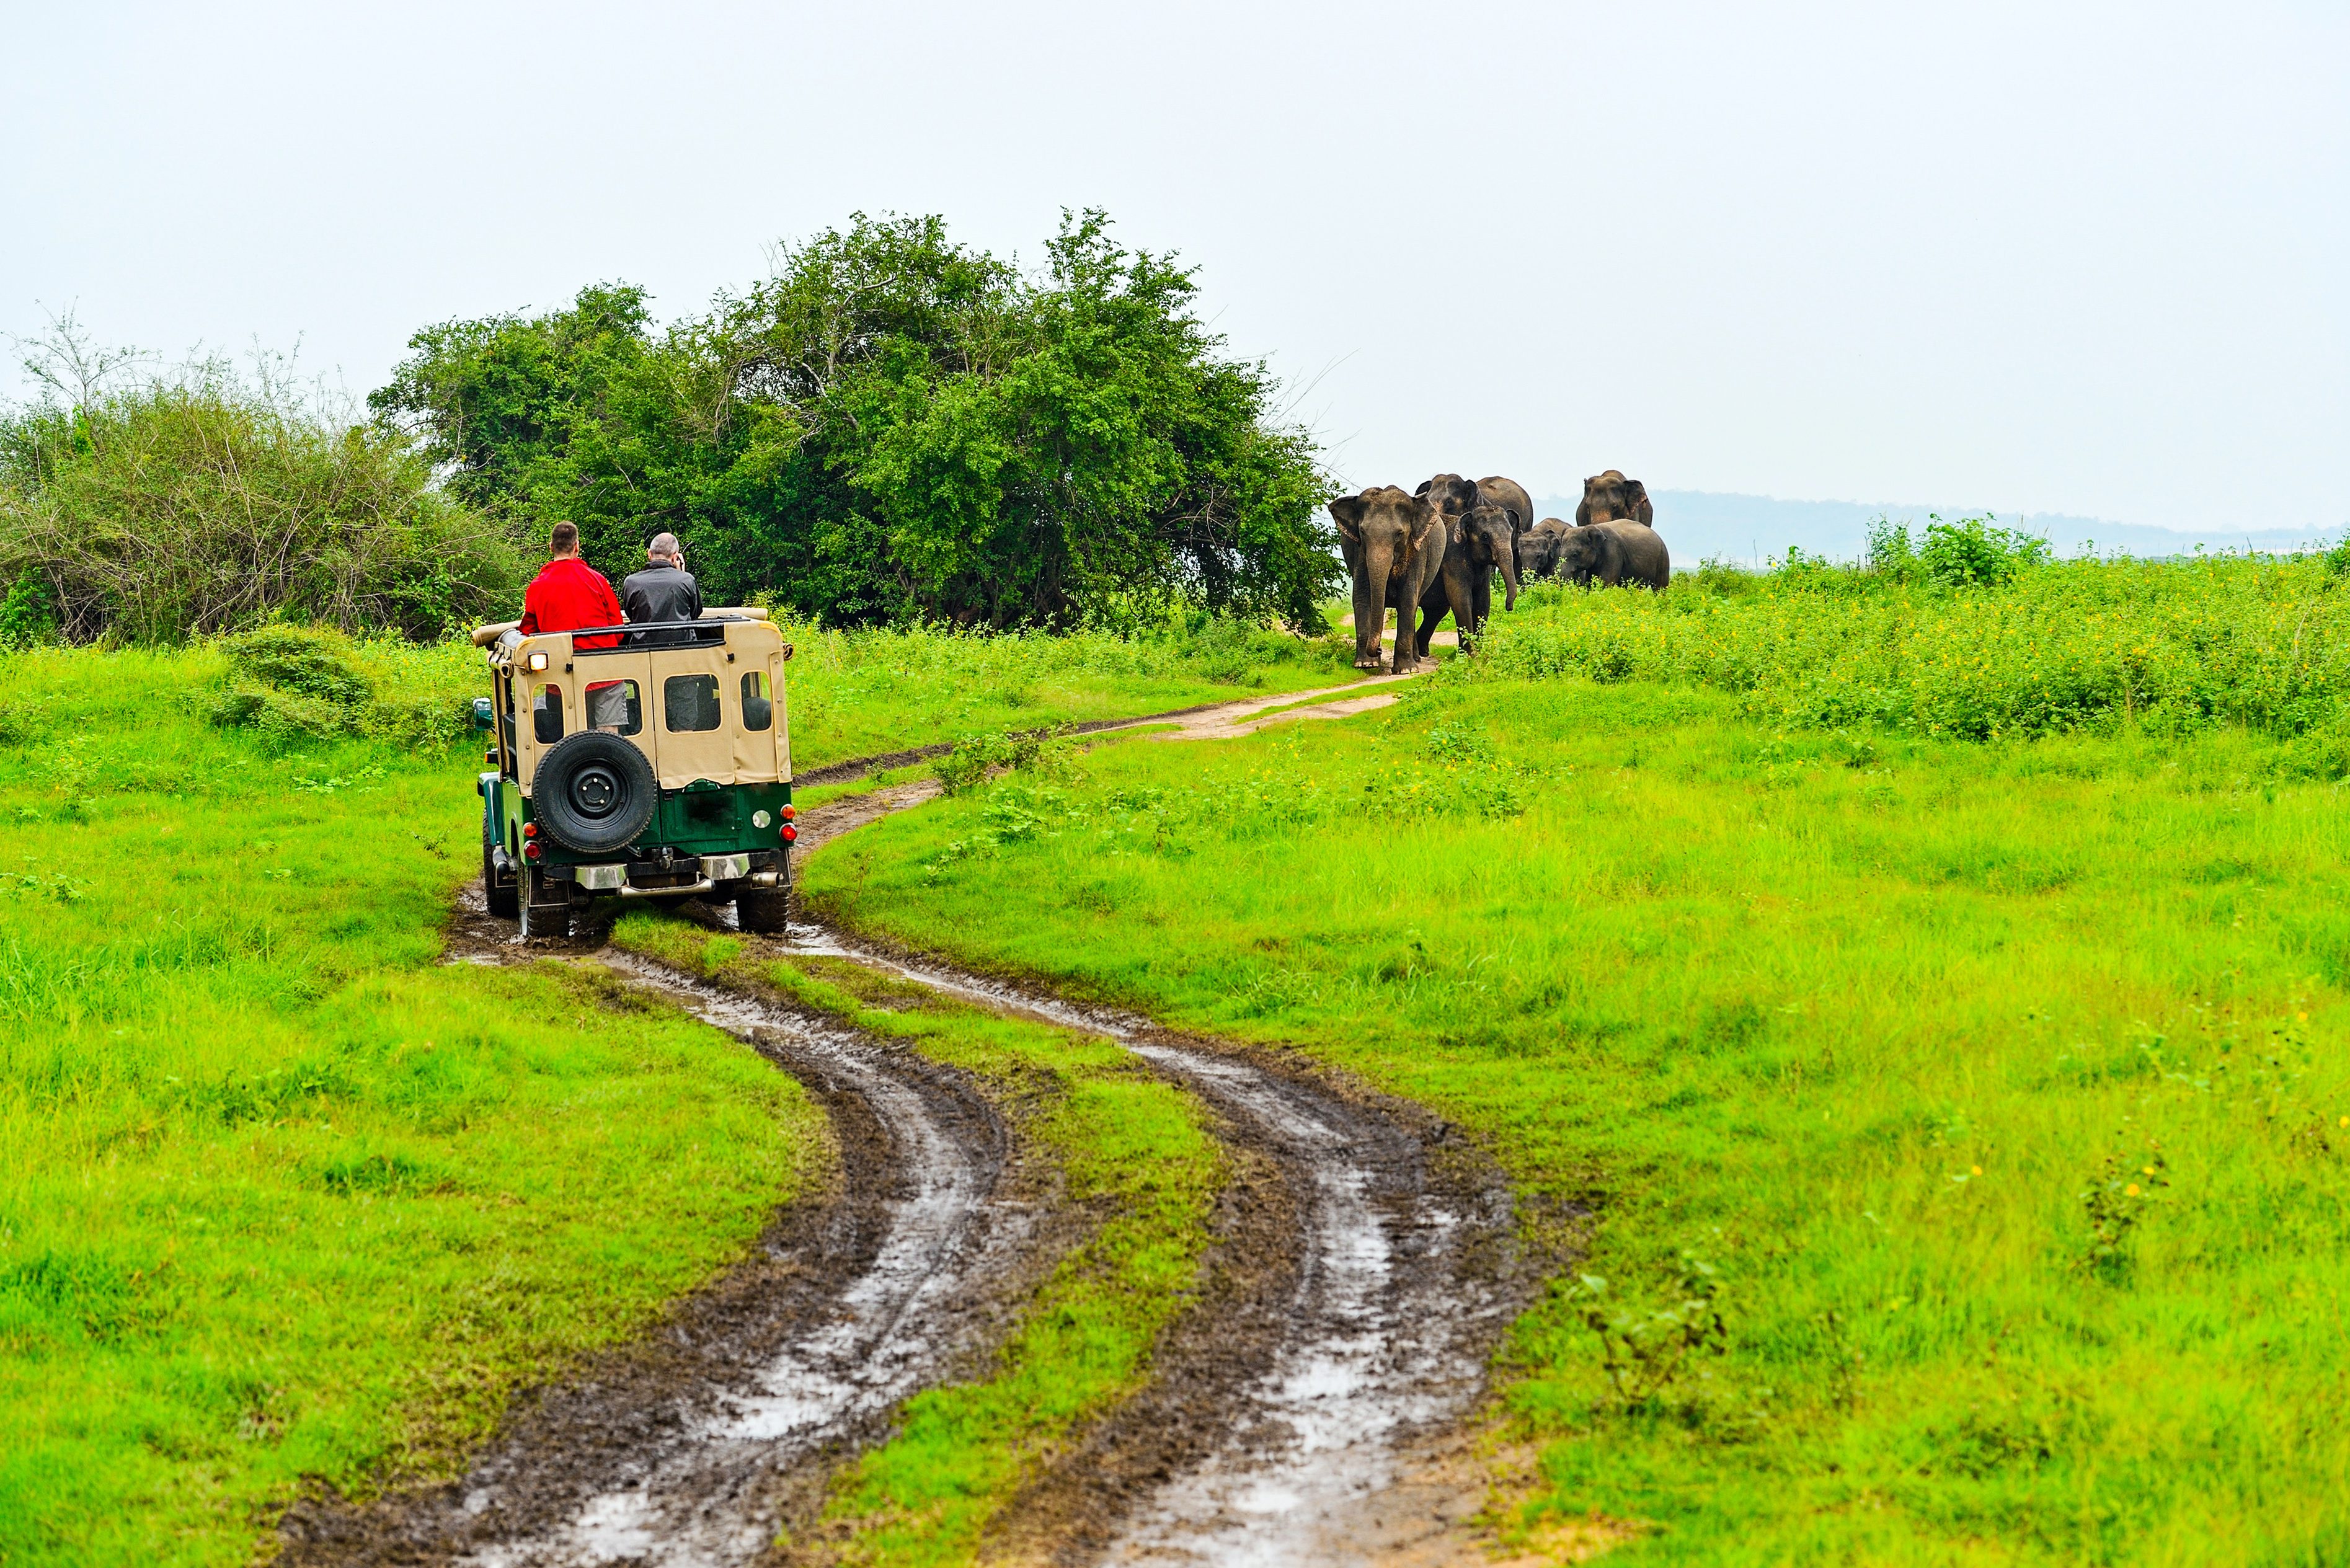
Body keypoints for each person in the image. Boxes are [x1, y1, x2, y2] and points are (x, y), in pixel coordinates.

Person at [518, 522, 628, 730]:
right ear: (577, 546)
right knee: (610, 732)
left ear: (551, 547)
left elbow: (529, 630)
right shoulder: (597, 580)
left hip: (562, 676)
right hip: (603, 670)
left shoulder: (537, 586)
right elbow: (617, 627)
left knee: (569, 734)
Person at [621, 531, 703, 627]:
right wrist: (682, 573)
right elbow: (694, 614)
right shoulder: (687, 580)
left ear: (649, 554)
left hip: (644, 642)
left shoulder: (631, 582)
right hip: (682, 641)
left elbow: (631, 614)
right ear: (675, 557)